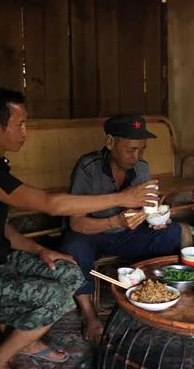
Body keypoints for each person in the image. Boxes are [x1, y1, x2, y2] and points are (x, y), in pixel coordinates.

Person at [0, 88, 158, 368]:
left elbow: (0, 227)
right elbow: (51, 204)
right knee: (57, 298)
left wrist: (40, 250)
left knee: (70, 271)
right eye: (20, 124)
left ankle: (26, 336)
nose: (25, 131)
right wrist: (122, 199)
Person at [60, 114, 185, 341]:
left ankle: (154, 295)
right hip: (94, 233)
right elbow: (76, 222)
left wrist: (156, 219)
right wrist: (115, 221)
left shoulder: (142, 168)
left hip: (128, 233)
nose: (137, 157)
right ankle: (90, 315)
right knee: (73, 245)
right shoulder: (87, 167)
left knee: (172, 232)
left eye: (142, 150)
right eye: (131, 150)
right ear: (110, 142)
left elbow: (146, 209)